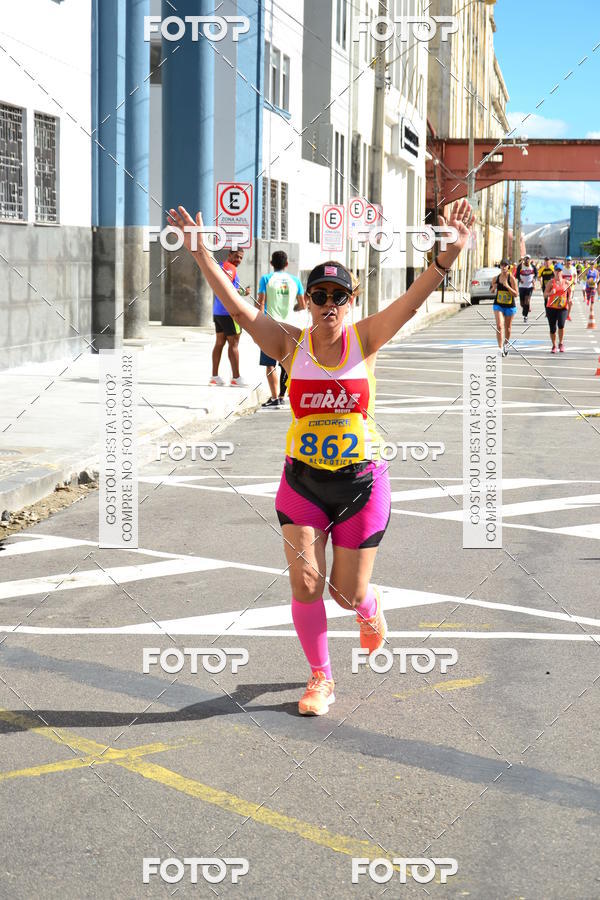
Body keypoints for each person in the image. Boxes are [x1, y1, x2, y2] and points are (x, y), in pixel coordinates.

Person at [168, 199, 474, 716]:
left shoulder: (366, 338)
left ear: (351, 302)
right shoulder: (290, 344)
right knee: (306, 582)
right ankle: (320, 679)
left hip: (361, 484)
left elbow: (414, 298)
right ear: (307, 302)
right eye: (320, 296)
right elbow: (241, 308)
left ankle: (369, 609)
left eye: (339, 296)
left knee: (346, 595)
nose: (329, 304)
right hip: (304, 482)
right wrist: (202, 255)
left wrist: (447, 259)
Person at [258, 251, 305, 408]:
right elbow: (303, 304)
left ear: (272, 264)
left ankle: (274, 396)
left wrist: (259, 321)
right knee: (287, 361)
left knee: (270, 363)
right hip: (289, 326)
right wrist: (292, 308)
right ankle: (283, 395)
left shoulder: (266, 279)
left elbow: (261, 302)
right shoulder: (295, 281)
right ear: (286, 264)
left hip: (270, 326)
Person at [210, 247, 250, 386]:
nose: (238, 260)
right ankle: (236, 378)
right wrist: (243, 292)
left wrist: (242, 291)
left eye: (241, 258)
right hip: (229, 313)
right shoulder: (229, 267)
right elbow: (227, 287)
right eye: (237, 256)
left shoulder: (220, 266)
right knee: (234, 344)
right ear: (230, 255)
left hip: (218, 311)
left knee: (219, 343)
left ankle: (214, 377)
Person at [491, 258, 519, 356]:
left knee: (508, 328)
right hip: (498, 304)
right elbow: (491, 290)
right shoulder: (496, 278)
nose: (503, 267)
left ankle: (506, 345)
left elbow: (516, 294)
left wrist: (507, 286)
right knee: (499, 325)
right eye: (502, 265)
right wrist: (493, 288)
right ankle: (499, 348)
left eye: (505, 265)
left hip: (509, 306)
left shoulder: (511, 278)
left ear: (508, 267)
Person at [544, 264, 569, 353]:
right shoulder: (551, 282)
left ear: (562, 272)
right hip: (551, 307)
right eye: (556, 270)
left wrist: (570, 300)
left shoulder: (566, 283)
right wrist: (550, 293)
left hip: (562, 307)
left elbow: (570, 293)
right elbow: (545, 294)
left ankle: (561, 343)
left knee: (561, 325)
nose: (558, 272)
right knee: (552, 328)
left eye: (560, 270)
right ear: (554, 271)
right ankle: (554, 345)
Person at [515, 254, 537, 323]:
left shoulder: (532, 266)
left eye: (528, 259)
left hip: (529, 286)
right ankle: (525, 309)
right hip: (522, 286)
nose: (527, 260)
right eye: (526, 259)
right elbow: (516, 275)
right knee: (522, 303)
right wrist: (520, 279)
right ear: (524, 260)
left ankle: (525, 316)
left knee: (527, 301)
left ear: (530, 260)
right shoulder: (520, 266)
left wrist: (534, 279)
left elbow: (536, 274)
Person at [562, 255, 577, 322]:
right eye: (567, 260)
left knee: (570, 302)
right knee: (563, 302)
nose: (568, 262)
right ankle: (562, 315)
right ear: (565, 261)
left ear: (571, 261)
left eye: (569, 260)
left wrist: (575, 280)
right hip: (564, 288)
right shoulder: (562, 268)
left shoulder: (573, 268)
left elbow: (575, 276)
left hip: (571, 288)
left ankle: (568, 315)